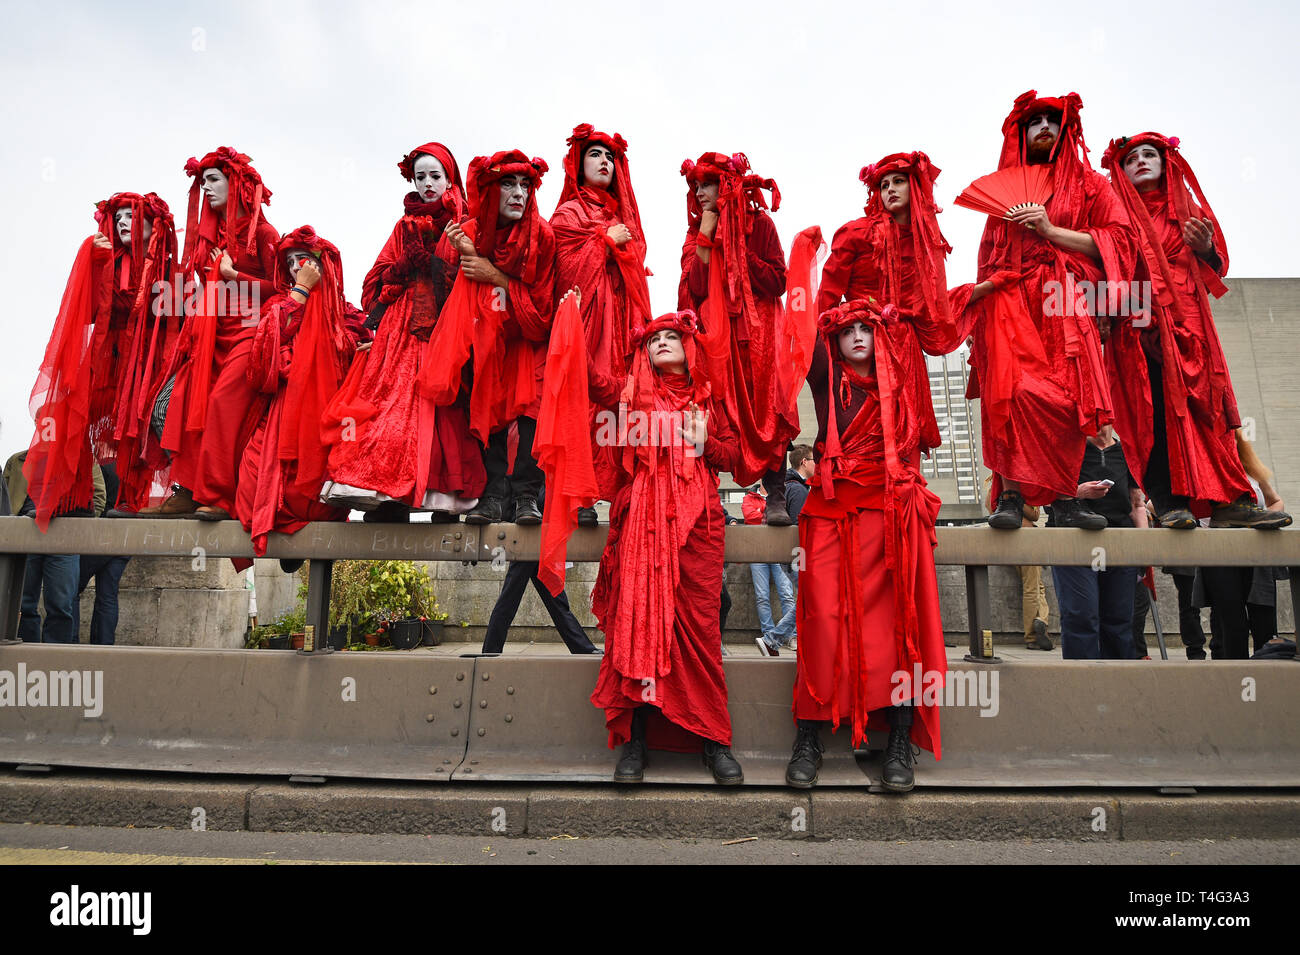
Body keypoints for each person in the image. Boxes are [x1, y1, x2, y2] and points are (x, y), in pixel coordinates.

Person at [786, 298, 952, 794]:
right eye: (846, 329)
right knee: (822, 622)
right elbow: (798, 332)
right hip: (832, 511)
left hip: (893, 511)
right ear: (834, 341)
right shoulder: (824, 379)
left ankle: (900, 738)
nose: (857, 335)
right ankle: (809, 737)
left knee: (901, 626)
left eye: (867, 327)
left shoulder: (901, 380)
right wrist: (806, 264)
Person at [957, 92, 1138, 531]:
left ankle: (1064, 498)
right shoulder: (1004, 194)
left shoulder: (1093, 185)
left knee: (1068, 397)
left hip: (1064, 301)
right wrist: (976, 315)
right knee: (1010, 392)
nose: (1042, 126)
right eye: (1033, 120)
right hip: (1010, 304)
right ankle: (1011, 497)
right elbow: (988, 257)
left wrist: (1050, 230)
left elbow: (1120, 243)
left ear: (1066, 129)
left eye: (1051, 120)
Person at [1100, 131, 1290, 530]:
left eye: (1149, 153)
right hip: (1138, 328)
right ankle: (1170, 503)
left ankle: (1232, 501)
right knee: (1154, 414)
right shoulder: (1111, 215)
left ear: (1166, 161)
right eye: (1131, 157)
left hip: (1191, 326)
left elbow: (1216, 269)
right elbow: (1100, 266)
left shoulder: (1186, 210)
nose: (1140, 160)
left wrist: (1205, 250)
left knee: (1212, 412)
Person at [587, 309, 744, 785]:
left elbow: (735, 456)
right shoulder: (629, 393)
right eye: (653, 339)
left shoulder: (711, 399)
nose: (660, 343)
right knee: (635, 620)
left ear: (690, 347)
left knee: (699, 629)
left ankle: (714, 740)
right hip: (641, 523)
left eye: (672, 336)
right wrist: (574, 322)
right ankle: (635, 741)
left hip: (699, 525)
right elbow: (593, 383)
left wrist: (703, 445)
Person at [320, 143, 484, 523]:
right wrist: (402, 269)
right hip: (398, 335)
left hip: (446, 329)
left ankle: (443, 498)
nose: (427, 184)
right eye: (420, 177)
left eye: (435, 176)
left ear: (450, 179)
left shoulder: (464, 223)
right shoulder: (403, 226)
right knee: (389, 412)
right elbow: (373, 284)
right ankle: (390, 499)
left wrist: (432, 263)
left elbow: (471, 280)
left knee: (442, 411)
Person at [25, 192, 180, 526]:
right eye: (118, 217)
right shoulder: (106, 260)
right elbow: (83, 312)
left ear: (153, 225)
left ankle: (130, 499)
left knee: (137, 428)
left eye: (131, 216)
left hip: (144, 366)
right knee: (72, 416)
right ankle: (65, 495)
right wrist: (91, 262)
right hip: (105, 361)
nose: (122, 222)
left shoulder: (170, 268)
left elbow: (178, 322)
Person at [141, 147, 279, 519]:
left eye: (214, 180)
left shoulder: (264, 233)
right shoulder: (208, 236)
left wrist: (235, 277)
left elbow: (281, 287)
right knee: (176, 402)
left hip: (250, 330)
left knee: (219, 403)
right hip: (210, 332)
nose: (207, 188)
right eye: (203, 182)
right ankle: (186, 490)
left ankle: (217, 497)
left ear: (238, 185)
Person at [424, 151, 555, 526]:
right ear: (488, 191)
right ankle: (493, 496)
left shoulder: (542, 237)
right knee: (486, 407)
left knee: (531, 412)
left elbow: (543, 312)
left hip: (528, 344)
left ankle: (527, 497)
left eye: (525, 185)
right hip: (481, 340)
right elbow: (441, 298)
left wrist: (495, 276)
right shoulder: (463, 234)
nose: (519, 193)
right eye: (508, 184)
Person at [678, 151, 798, 525]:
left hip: (760, 337)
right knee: (717, 412)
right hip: (718, 340)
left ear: (727, 185)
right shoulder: (696, 231)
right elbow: (693, 288)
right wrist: (707, 237)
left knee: (772, 411)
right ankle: (706, 498)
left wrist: (739, 252)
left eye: (707, 185)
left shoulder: (760, 225)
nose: (699, 193)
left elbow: (779, 280)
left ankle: (776, 495)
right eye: (695, 186)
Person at [550, 124, 653, 526]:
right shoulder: (568, 214)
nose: (605, 162)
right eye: (595, 155)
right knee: (586, 398)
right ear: (578, 164)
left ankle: (622, 493)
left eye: (610, 157)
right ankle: (583, 495)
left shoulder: (621, 216)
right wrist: (604, 242)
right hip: (588, 322)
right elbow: (565, 273)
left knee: (623, 401)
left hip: (621, 323)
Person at [236, 227, 355, 556]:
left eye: (301, 260)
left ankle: (302, 542)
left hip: (328, 413)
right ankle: (284, 537)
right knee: (252, 475)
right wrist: (301, 290)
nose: (293, 268)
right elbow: (263, 359)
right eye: (288, 263)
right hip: (283, 412)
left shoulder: (344, 313)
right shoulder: (280, 304)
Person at [1049, 426, 1148, 659]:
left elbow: (1137, 504)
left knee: (1120, 619)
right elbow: (1046, 495)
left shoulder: (1127, 452)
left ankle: (1118, 682)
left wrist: (1145, 550)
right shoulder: (1066, 447)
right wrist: (1079, 492)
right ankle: (1083, 683)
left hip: (1120, 542)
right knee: (1081, 615)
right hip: (1074, 542)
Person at [481, 490, 600, 655]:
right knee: (518, 598)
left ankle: (490, 649)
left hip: (539, 538)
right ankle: (582, 648)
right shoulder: (531, 475)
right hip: (528, 537)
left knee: (548, 598)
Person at [5, 450, 105, 643]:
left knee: (61, 604)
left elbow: (98, 499)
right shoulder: (17, 460)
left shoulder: (82, 459)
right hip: (25, 536)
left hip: (63, 537)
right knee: (23, 603)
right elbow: (5, 498)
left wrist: (76, 528)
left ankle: (56, 659)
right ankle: (28, 656)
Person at [73, 462, 130, 644]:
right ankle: (103, 646)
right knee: (108, 596)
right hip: (127, 537)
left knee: (72, 588)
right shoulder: (132, 468)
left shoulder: (102, 467)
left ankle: (69, 642)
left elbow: (96, 500)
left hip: (101, 535)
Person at [744, 483, 795, 657]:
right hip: (757, 552)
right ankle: (769, 635)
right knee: (762, 596)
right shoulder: (749, 497)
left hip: (778, 552)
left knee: (787, 594)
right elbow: (748, 516)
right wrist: (769, 514)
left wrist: (761, 513)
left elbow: (784, 517)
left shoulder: (782, 493)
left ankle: (790, 636)